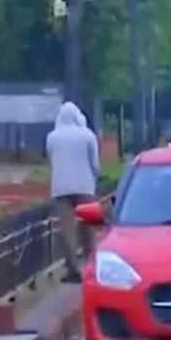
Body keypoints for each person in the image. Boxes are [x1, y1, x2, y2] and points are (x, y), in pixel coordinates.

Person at [46, 101, 100, 282]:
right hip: (85, 187)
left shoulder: (52, 137)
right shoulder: (87, 135)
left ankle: (73, 270)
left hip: (60, 189)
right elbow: (95, 164)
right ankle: (92, 265)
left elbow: (51, 160)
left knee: (67, 230)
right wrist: (95, 177)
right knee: (89, 227)